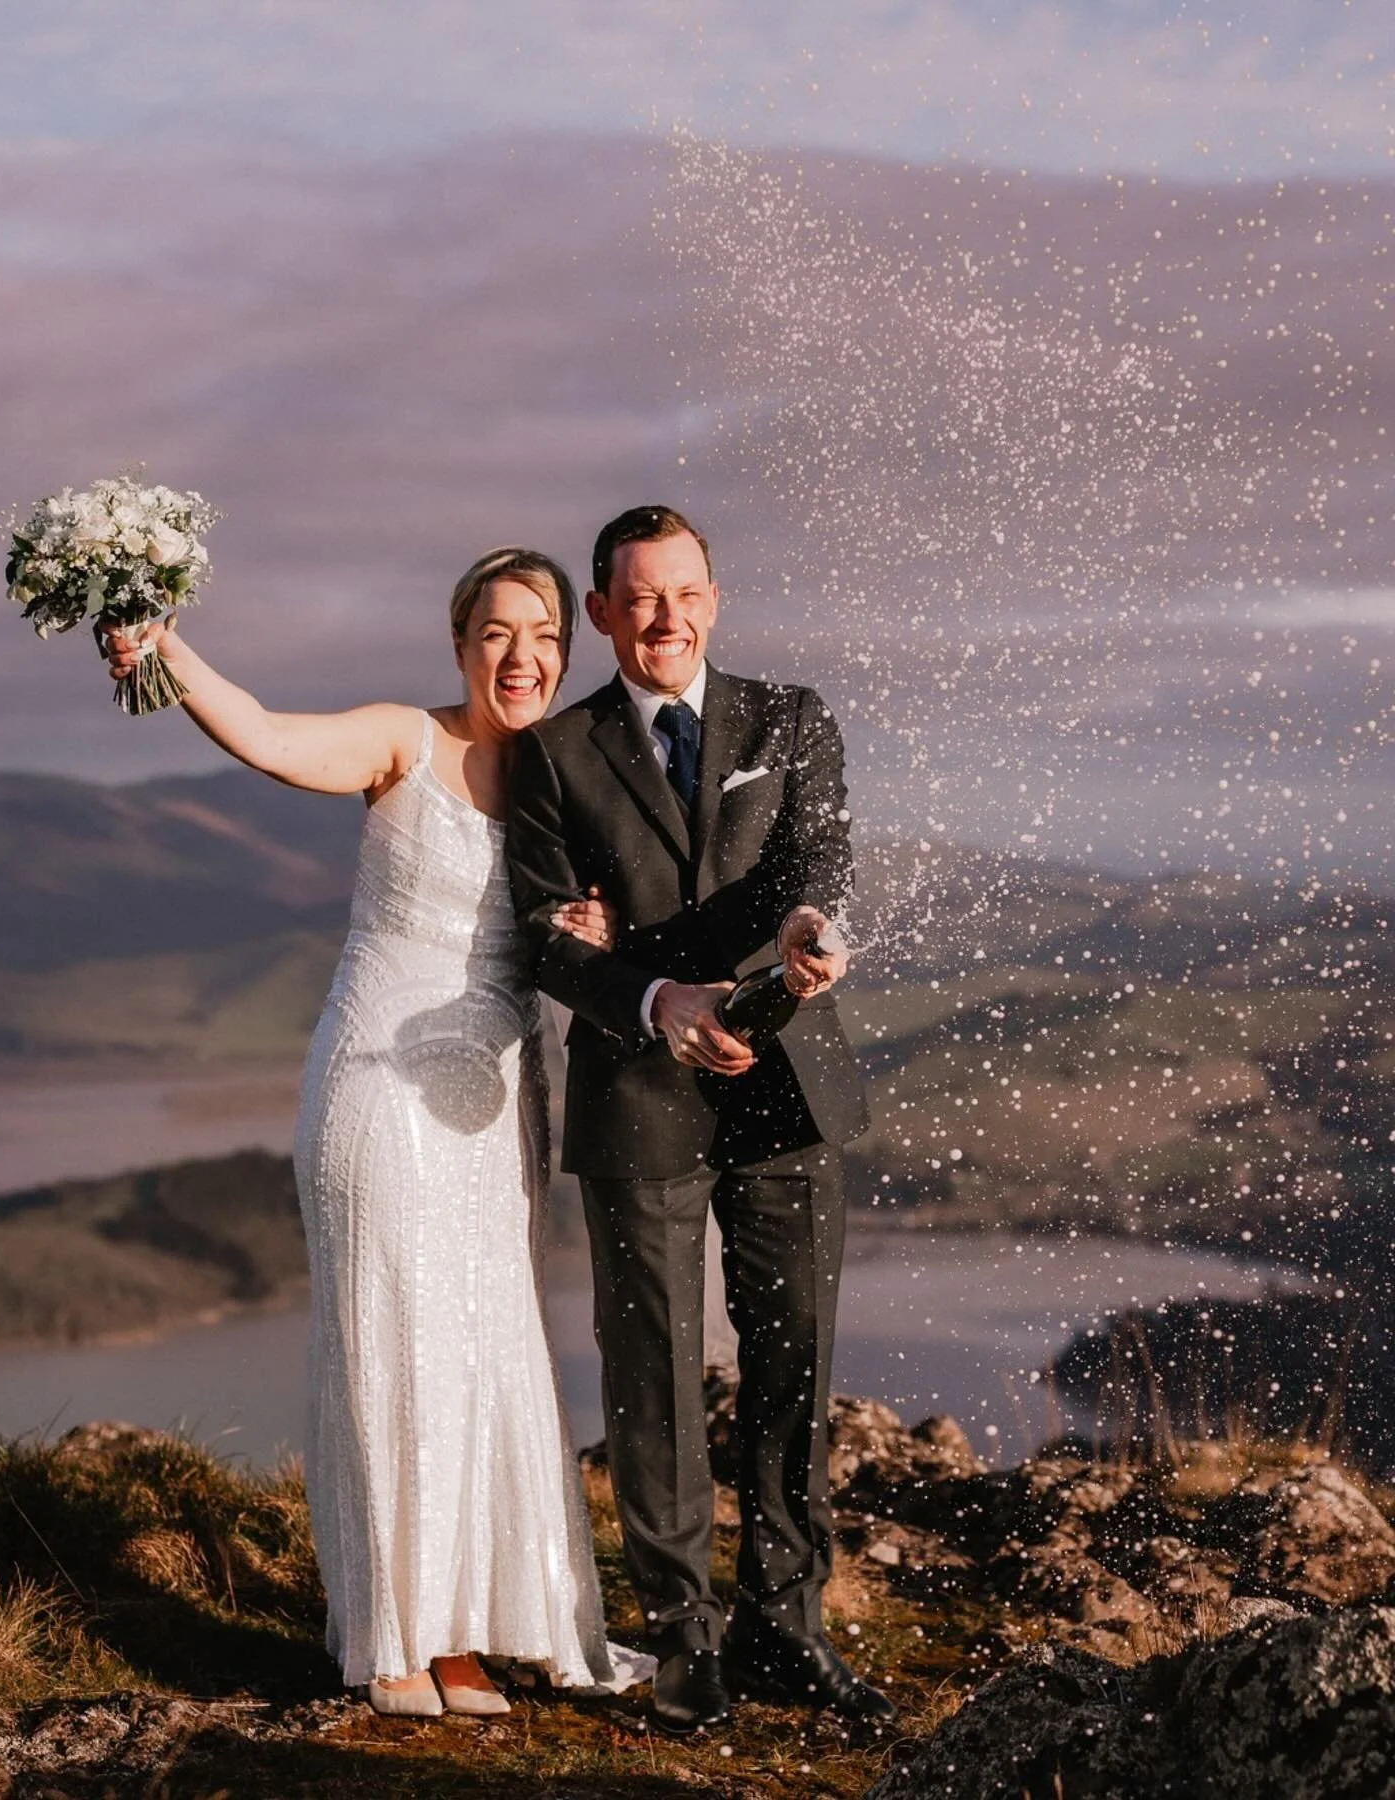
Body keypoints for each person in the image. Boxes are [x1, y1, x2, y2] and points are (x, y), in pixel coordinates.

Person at [103, 549, 648, 1717]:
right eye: (498, 632)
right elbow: (261, 730)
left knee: (480, 1352)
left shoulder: (567, 777)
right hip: (380, 1093)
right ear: (460, 643)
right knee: (390, 1349)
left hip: (500, 1107)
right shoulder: (404, 739)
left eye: (544, 633)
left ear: (568, 646)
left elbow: (609, 925)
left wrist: (599, 931)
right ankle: (395, 1639)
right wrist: (162, 644)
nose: (523, 655)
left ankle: (465, 1635)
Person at [505, 505, 895, 1734]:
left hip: (785, 1081)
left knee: (793, 1361)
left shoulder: (792, 718)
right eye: (640, 597)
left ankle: (788, 1624)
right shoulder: (556, 755)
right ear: (606, 612)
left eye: (686, 593)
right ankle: (685, 1642)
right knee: (655, 1378)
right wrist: (654, 995)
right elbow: (539, 935)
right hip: (637, 1090)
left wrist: (799, 939)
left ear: (713, 598)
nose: (666, 618)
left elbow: (816, 863)